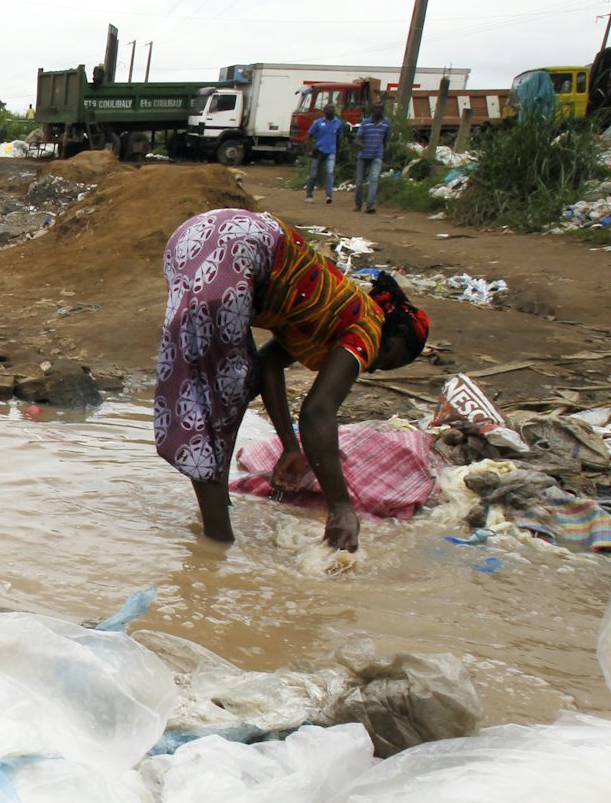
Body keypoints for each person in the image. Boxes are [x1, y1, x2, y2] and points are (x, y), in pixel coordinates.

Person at [153, 208, 430, 551]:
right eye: (387, 363)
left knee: (225, 388)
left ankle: (218, 513)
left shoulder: (332, 309)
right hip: (237, 249)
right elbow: (317, 411)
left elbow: (267, 366)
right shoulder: (369, 326)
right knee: (214, 400)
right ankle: (216, 549)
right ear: (396, 334)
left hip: (195, 235)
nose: (372, 368)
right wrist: (341, 507)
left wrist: (290, 445)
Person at [355, 103, 392, 213]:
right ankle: (358, 204)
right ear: (372, 110)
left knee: (374, 179)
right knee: (359, 182)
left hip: (377, 155)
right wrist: (360, 145)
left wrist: (383, 151)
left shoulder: (386, 123)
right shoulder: (365, 123)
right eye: (376, 108)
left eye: (381, 108)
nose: (378, 111)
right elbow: (357, 138)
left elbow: (386, 139)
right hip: (363, 155)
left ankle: (369, 205)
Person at [305, 102, 343, 205]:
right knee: (313, 174)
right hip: (318, 151)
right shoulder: (318, 123)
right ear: (324, 111)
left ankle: (329, 195)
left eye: (331, 109)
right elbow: (309, 135)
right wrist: (310, 148)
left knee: (329, 173)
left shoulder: (338, 123)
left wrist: (338, 151)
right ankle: (309, 194)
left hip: (331, 152)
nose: (329, 111)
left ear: (333, 111)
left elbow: (339, 138)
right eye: (327, 109)